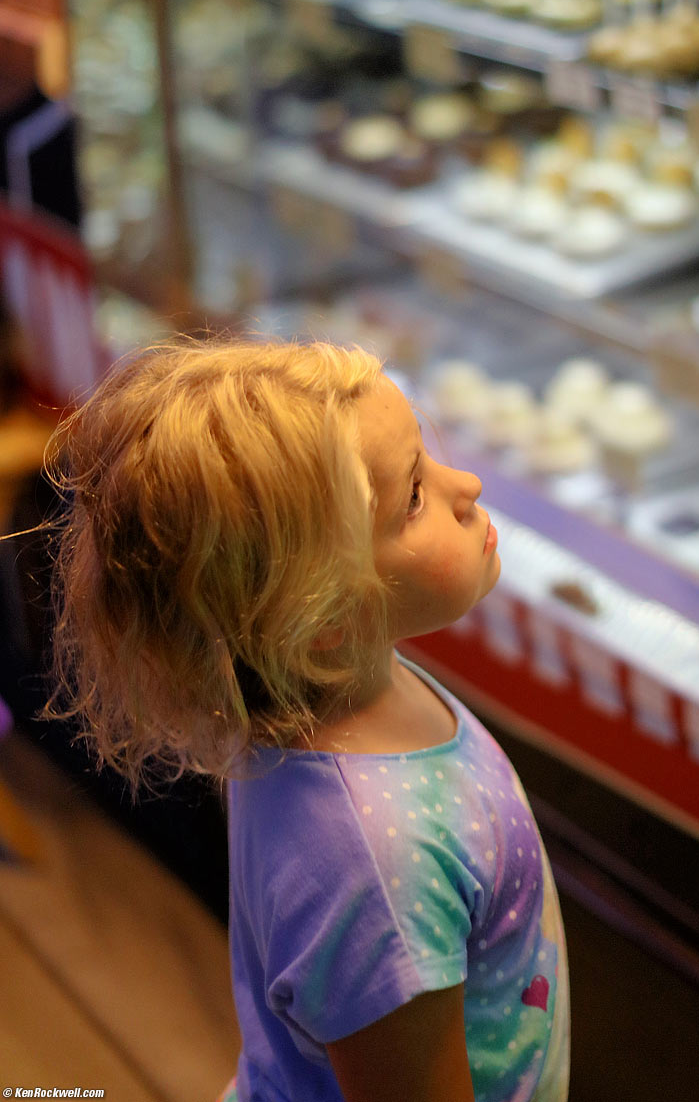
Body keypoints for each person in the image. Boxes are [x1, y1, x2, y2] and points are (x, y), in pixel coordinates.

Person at [43, 338, 569, 1102]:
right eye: (413, 497)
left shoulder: (341, 694)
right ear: (318, 615)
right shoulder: (375, 865)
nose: (470, 485)